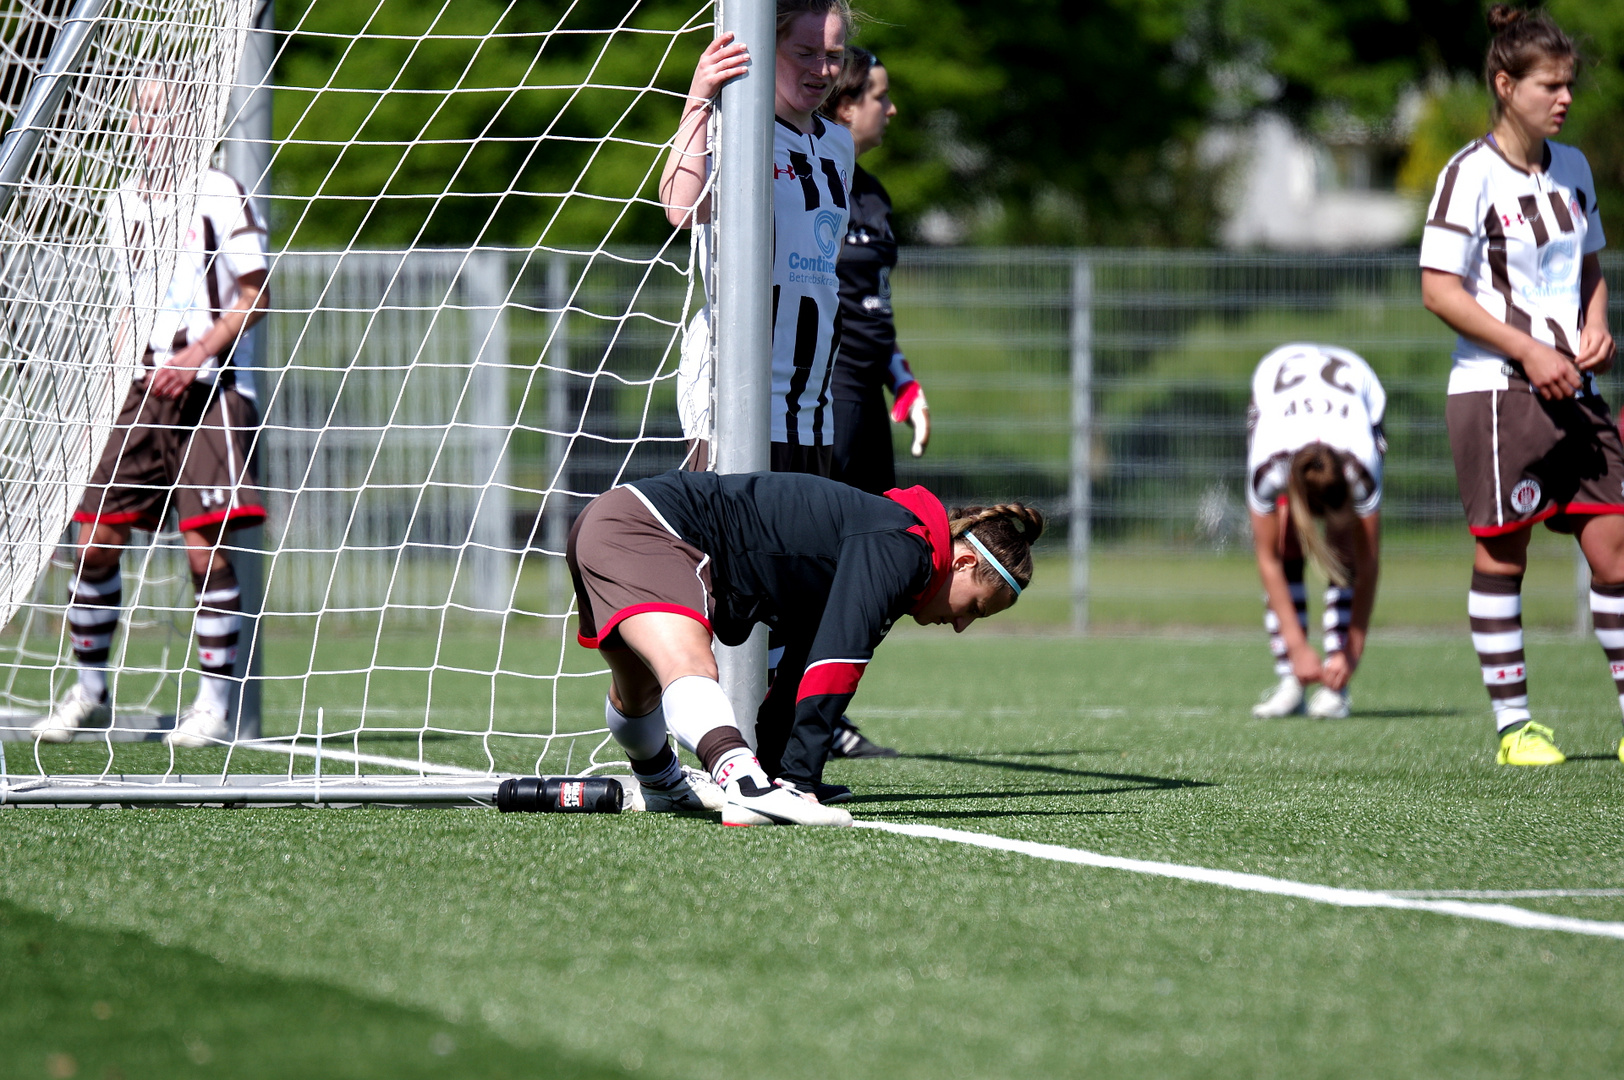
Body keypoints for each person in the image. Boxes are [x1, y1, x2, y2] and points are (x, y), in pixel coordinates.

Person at [566, 469, 1043, 826]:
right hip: (649, 527)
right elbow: (837, 662)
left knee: (639, 692)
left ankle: (661, 780)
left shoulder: (901, 546)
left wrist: (788, 773)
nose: (960, 625)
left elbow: (809, 656)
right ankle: (743, 782)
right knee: (687, 662)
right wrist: (795, 785)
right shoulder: (904, 547)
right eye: (975, 608)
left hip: (613, 521)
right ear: (960, 563)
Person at [32, 75, 270, 747]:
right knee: (94, 538)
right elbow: (127, 306)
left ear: (186, 118)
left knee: (204, 549)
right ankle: (90, 692)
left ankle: (213, 705)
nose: (147, 124)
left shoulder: (217, 189)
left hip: (209, 383)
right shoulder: (123, 201)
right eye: (139, 112)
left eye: (159, 111)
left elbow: (257, 293)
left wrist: (196, 354)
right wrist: (102, 395)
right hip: (139, 385)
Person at [1420, 5, 1620, 765]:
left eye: (1569, 85)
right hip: (1497, 394)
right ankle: (1515, 728)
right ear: (1506, 85)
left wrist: (1596, 326)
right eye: (1550, 86)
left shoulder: (1573, 168)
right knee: (1505, 557)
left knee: (1615, 549)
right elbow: (1440, 290)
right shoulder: (1468, 175)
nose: (1565, 99)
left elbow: (1590, 266)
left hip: (1577, 396)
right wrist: (1531, 352)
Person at [661, 0, 855, 477]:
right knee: (731, 542)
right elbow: (681, 208)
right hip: (734, 386)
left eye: (834, 54)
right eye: (805, 52)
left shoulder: (838, 144)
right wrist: (699, 97)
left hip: (812, 396)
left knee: (804, 547)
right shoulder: (738, 131)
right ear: (768, 47)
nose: (822, 69)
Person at [1244, 344, 1385, 720]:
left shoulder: (1361, 469)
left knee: (1346, 550)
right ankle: (1292, 679)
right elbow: (1266, 558)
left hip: (1358, 385)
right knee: (1284, 541)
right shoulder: (1269, 467)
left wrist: (1351, 653)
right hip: (1276, 379)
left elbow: (1369, 565)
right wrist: (1297, 648)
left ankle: (1336, 685)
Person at [820, 46, 929, 496]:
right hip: (828, 387)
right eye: (880, 97)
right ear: (846, 105)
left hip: (869, 391)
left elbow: (874, 301)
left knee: (881, 528)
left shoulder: (874, 194)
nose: (891, 108)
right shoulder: (812, 182)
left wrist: (902, 378)